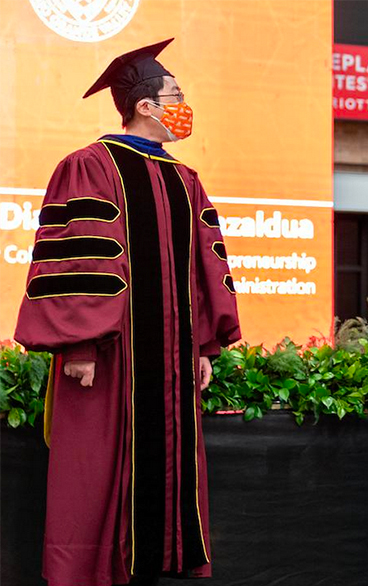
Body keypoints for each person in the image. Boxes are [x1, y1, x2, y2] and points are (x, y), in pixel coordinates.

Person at [14, 39, 241, 586]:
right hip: (110, 357)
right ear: (145, 105)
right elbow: (76, 258)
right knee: (94, 469)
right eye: (175, 95)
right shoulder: (88, 167)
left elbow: (202, 269)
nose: (183, 105)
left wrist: (205, 345)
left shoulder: (186, 180)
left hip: (172, 359)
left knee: (169, 466)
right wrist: (79, 343)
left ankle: (162, 557)